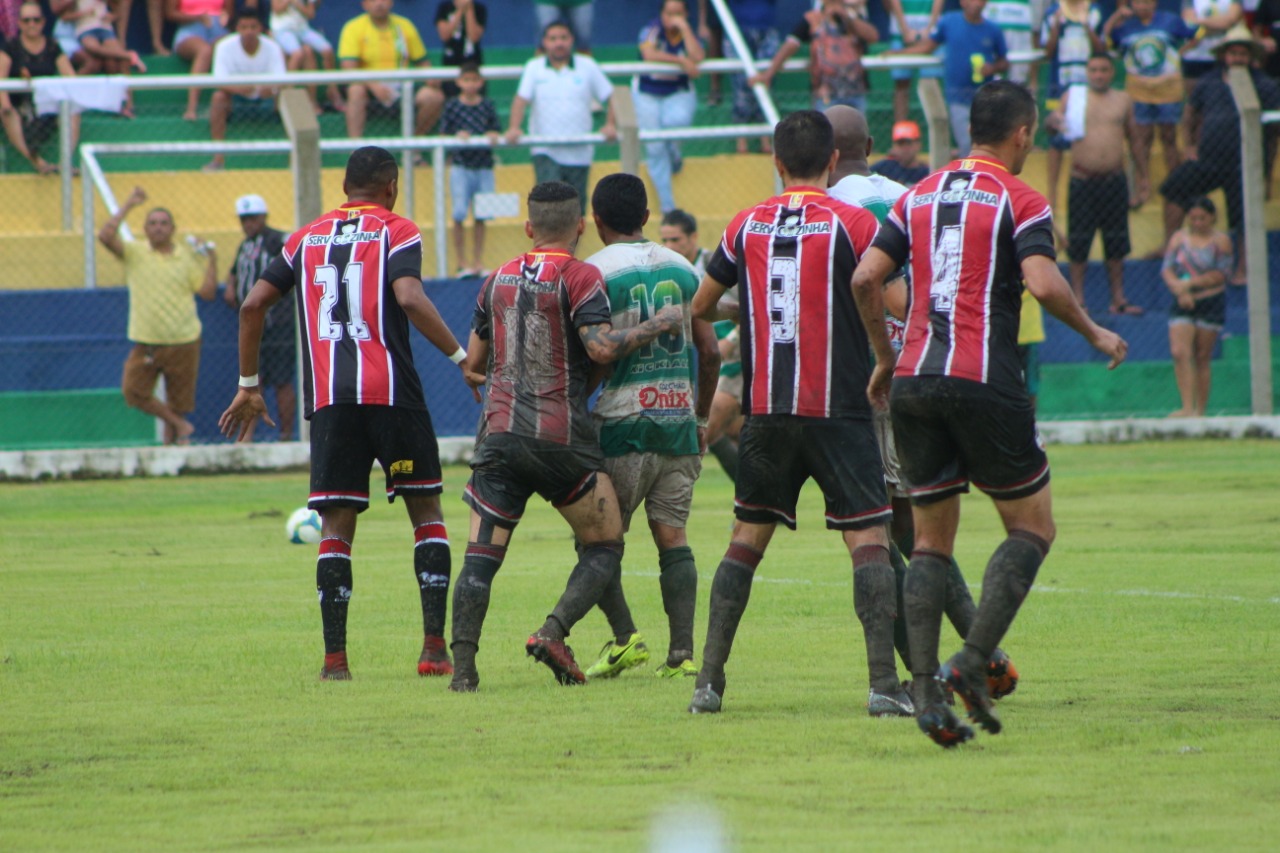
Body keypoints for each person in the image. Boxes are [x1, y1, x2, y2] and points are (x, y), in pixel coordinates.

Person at [852, 81, 1127, 748]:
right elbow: (1043, 282)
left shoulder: (916, 194)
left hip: (915, 379)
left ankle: (925, 692)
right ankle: (972, 662)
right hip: (983, 379)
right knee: (1032, 525)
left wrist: (886, 359)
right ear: (1023, 134)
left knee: (928, 542)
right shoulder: (1020, 197)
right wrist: (1094, 331)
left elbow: (865, 278)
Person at [219, 146, 472, 681]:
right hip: (393, 395)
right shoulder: (398, 229)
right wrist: (461, 358)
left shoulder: (302, 239)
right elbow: (410, 297)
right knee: (426, 514)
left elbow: (251, 305)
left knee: (336, 525)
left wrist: (248, 384)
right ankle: (433, 649)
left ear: (343, 187)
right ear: (391, 187)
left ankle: (335, 662)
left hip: (332, 400)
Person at [685, 111, 902, 717]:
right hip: (840, 409)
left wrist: (747, 307)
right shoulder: (855, 222)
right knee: (868, 540)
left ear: (776, 162)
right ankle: (884, 685)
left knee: (745, 541)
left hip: (767, 411)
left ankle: (708, 684)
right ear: (833, 161)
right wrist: (884, 354)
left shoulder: (745, 223)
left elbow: (702, 306)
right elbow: (889, 295)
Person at [449, 180, 683, 692]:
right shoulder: (580, 276)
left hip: (500, 436)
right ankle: (553, 632)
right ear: (580, 226)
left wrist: (493, 378)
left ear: (528, 227)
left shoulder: (495, 279)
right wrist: (659, 323)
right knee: (605, 544)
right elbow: (601, 348)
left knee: (479, 560)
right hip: (562, 441)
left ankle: (463, 673)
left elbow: (474, 362)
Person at [825, 104, 1017, 715]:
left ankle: (917, 676)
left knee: (873, 536)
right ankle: (984, 657)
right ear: (871, 145)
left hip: (868, 379)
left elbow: (870, 286)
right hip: (929, 367)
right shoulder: (909, 193)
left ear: (827, 153)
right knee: (916, 530)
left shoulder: (828, 209)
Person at [577, 174, 719, 682]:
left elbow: (592, 356)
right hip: (678, 421)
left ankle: (625, 640)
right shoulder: (682, 267)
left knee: (596, 541)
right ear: (645, 217)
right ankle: (682, 655)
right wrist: (700, 418)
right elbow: (710, 350)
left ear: (596, 221)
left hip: (624, 422)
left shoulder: (594, 272)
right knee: (673, 538)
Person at [98, 186, 220, 445]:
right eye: (152, 223)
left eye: (164, 223)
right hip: (147, 341)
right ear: (144, 228)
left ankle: (174, 444)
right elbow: (105, 237)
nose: (158, 228)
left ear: (173, 229)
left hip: (184, 339)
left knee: (179, 402)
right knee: (133, 391)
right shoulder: (135, 253)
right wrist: (129, 204)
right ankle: (179, 426)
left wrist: (212, 260)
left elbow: (208, 293)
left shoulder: (186, 257)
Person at [1159, 26, 1280, 283]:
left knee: (1244, 218)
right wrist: (1189, 146)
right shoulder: (1209, 81)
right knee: (1172, 189)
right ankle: (1169, 250)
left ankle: (1243, 269)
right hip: (1208, 161)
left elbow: (1272, 134)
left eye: (1242, 54)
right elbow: (1190, 114)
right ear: (1224, 55)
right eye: (1233, 53)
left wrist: (1266, 174)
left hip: (1245, 165)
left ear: (1251, 56)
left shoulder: (1265, 85)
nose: (1237, 58)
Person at [1049, 52, 1147, 315]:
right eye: (1093, 70)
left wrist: (1143, 178)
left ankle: (1118, 298)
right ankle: (1078, 300)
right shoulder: (1073, 97)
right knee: (1078, 242)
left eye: (1104, 70)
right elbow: (1052, 130)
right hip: (1082, 180)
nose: (1099, 75)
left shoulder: (1123, 100)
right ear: (1087, 72)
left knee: (1116, 242)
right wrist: (1053, 121)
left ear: (1112, 72)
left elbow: (1135, 139)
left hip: (1114, 181)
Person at [659, 208, 741, 482]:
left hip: (736, 360)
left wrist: (731, 339)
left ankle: (751, 500)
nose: (670, 246)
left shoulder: (716, 265)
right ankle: (757, 497)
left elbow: (752, 305)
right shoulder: (669, 271)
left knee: (710, 425)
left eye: (675, 239)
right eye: (665, 240)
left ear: (693, 237)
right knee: (734, 432)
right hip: (706, 361)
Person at [505, 21, 616, 214]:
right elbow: (521, 100)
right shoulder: (534, 67)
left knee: (575, 212)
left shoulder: (588, 65)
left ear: (572, 40)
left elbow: (612, 96)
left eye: (563, 38)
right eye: (553, 38)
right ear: (544, 42)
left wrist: (610, 124)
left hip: (580, 153)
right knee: (548, 209)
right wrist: (514, 127)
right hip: (545, 150)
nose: (559, 43)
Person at [893, 0, 1009, 157]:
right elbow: (928, 47)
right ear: (962, 2)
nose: (976, 4)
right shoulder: (949, 22)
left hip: (985, 99)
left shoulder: (993, 29)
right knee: (966, 144)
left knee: (987, 143)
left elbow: (1004, 61)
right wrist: (899, 53)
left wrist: (992, 68)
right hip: (957, 96)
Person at [223, 193, 295, 441]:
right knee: (251, 380)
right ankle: (248, 436)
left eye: (252, 218)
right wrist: (231, 285)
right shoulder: (245, 245)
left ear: (263, 217)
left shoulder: (276, 240)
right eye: (244, 219)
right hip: (251, 325)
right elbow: (235, 270)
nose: (248, 223)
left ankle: (286, 435)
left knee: (282, 380)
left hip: (277, 323)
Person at [1103, 0, 1194, 188]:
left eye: (1146, 2)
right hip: (1139, 91)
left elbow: (1195, 35)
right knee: (1142, 138)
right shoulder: (1126, 28)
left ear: (1154, 3)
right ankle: (1142, 184)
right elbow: (1107, 41)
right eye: (1137, 2)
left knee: (1169, 137)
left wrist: (1178, 53)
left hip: (1168, 89)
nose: (1142, 6)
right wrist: (1117, 16)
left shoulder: (1170, 21)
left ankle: (1174, 186)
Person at [1162, 195, 1233, 417]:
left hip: (1209, 300)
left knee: (1202, 356)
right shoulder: (1178, 239)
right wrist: (1180, 290)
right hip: (1182, 300)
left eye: (1202, 218)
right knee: (1179, 352)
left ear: (1212, 217)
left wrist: (1190, 285)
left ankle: (1200, 411)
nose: (1197, 223)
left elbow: (1221, 274)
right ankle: (1186, 406)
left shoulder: (1221, 242)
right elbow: (1167, 269)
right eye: (1193, 218)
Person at [1038, 0, 1103, 233]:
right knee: (1056, 140)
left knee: (1085, 137)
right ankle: (1052, 196)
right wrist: (1056, 25)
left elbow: (1100, 49)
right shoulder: (1053, 12)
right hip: (1060, 84)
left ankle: (1084, 191)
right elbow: (1047, 52)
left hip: (1086, 87)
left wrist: (1086, 25)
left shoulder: (1093, 12)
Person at [336, 0, 444, 141]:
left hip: (402, 87)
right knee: (355, 90)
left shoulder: (404, 25)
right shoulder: (353, 27)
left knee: (433, 97)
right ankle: (355, 147)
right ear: (364, 4)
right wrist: (374, 86)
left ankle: (414, 143)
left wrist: (431, 79)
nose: (379, 4)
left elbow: (422, 62)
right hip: (369, 88)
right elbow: (348, 67)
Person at [635, 0, 704, 215]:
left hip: (678, 91)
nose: (672, 18)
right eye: (669, 13)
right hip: (647, 92)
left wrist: (684, 28)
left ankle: (674, 153)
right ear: (661, 14)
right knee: (655, 147)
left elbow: (698, 57)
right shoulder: (651, 29)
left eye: (678, 13)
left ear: (686, 15)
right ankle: (668, 206)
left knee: (675, 123)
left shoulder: (687, 33)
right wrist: (681, 61)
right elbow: (649, 55)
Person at [750, 0, 879, 113]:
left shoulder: (853, 19)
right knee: (826, 131)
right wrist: (769, 74)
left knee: (854, 130)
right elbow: (790, 45)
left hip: (855, 91)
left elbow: (873, 36)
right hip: (825, 93)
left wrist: (846, 18)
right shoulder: (812, 19)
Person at [0, 3, 78, 176]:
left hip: (47, 104)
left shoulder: (52, 46)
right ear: (19, 23)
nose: (32, 24)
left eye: (36, 20)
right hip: (20, 104)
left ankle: (64, 163)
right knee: (7, 112)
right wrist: (5, 104)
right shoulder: (10, 46)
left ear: (43, 22)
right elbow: (1, 78)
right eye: (26, 20)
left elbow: (69, 75)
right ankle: (37, 162)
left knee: (74, 111)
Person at [204, 12, 287, 172]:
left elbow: (281, 81)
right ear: (237, 28)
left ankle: (293, 160)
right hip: (234, 98)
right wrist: (240, 89)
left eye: (253, 27)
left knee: (289, 96)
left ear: (260, 28)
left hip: (268, 98)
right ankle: (218, 159)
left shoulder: (273, 47)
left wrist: (271, 89)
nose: (248, 31)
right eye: (244, 27)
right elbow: (218, 81)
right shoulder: (224, 46)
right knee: (218, 97)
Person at [440, 61, 500, 277]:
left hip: (484, 166)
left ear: (481, 82)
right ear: (459, 82)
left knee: (482, 214)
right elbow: (444, 133)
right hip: (461, 166)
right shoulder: (452, 106)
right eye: (466, 80)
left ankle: (477, 261)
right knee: (458, 213)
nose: (471, 84)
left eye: (474, 80)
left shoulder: (487, 105)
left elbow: (496, 129)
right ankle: (461, 262)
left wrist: (492, 135)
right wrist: (457, 137)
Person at [271, 0, 344, 113]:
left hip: (302, 29)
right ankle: (287, 94)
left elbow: (311, 14)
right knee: (298, 54)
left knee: (327, 50)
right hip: (282, 30)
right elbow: (277, 9)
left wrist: (298, 5)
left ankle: (332, 90)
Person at [882, 0, 944, 123]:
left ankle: (937, 128)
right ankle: (900, 129)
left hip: (930, 34)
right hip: (900, 34)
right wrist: (905, 30)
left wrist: (929, 30)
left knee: (930, 82)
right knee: (902, 84)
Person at [166, 0, 229, 122]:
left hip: (218, 31)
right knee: (204, 51)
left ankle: (227, 108)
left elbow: (228, 10)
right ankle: (191, 109)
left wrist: (225, 15)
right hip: (190, 31)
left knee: (227, 47)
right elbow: (170, 13)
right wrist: (197, 17)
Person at [434, 0, 487, 98]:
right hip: (450, 64)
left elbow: (474, 37)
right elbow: (444, 35)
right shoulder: (444, 7)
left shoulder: (479, 9)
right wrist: (460, 10)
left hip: (473, 64)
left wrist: (469, 9)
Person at [1182, 0, 1243, 79]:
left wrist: (1199, 22)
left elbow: (1231, 20)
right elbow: (1190, 24)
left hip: (1223, 57)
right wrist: (1220, 24)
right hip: (1195, 56)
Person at [872, 120, 930, 187]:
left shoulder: (926, 173)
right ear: (894, 146)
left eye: (908, 143)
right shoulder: (885, 167)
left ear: (918, 145)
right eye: (900, 144)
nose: (905, 148)